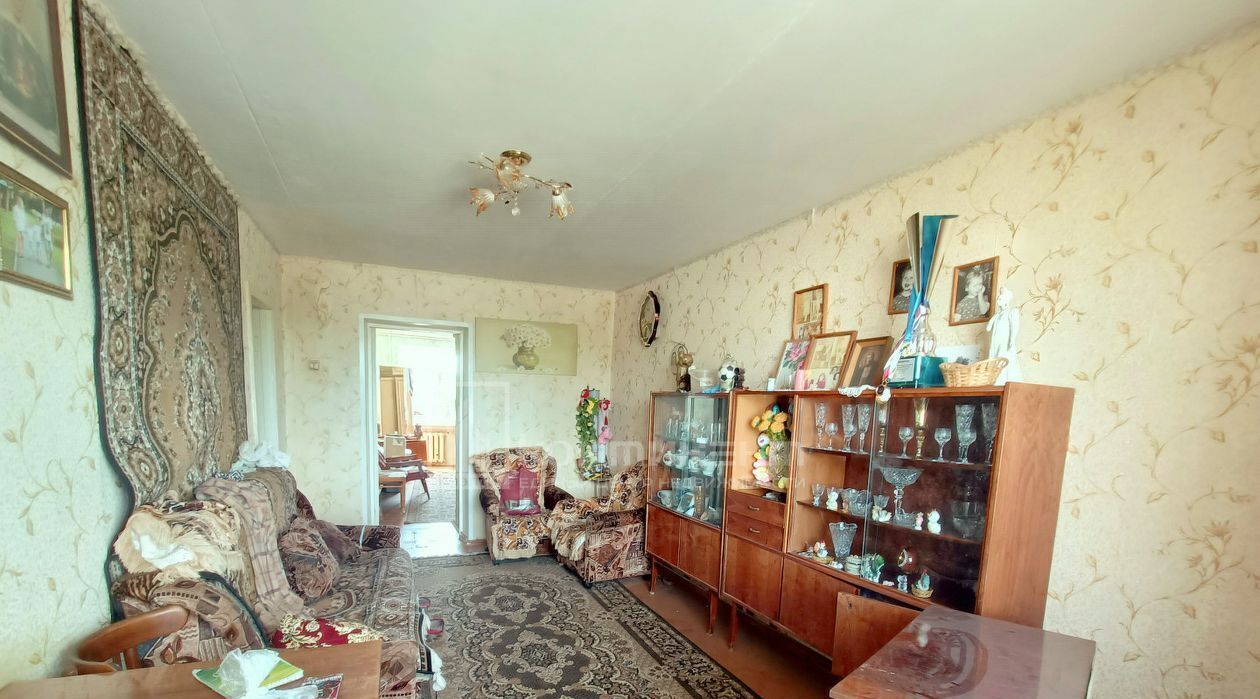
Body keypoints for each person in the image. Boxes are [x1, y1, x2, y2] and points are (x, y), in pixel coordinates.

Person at [986, 286, 1023, 384]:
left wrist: (1011, 340)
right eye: (998, 299)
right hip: (996, 342)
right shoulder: (997, 315)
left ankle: (1001, 380)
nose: (998, 301)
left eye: (1000, 299)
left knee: (1003, 359)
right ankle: (995, 380)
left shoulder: (1012, 312)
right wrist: (994, 317)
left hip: (1004, 341)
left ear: (1006, 300)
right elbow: (988, 328)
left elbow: (1014, 326)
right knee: (994, 359)